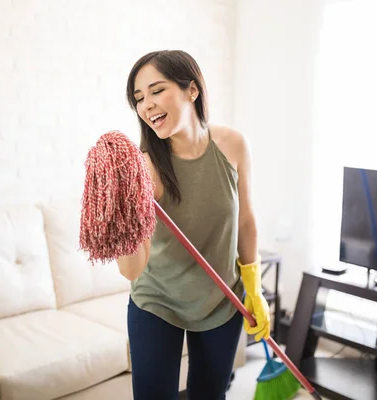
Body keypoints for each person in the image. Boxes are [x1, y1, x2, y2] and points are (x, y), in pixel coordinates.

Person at [117, 49, 270, 400]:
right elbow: (131, 270)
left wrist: (255, 288)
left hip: (222, 298)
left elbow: (245, 221)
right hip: (158, 302)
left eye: (157, 91)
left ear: (192, 90)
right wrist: (123, 213)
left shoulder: (232, 145)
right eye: (139, 99)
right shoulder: (143, 168)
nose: (147, 105)